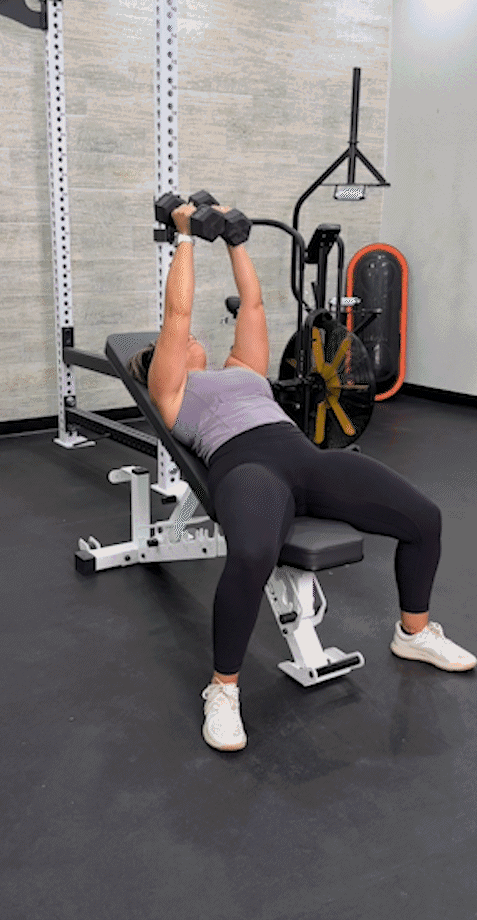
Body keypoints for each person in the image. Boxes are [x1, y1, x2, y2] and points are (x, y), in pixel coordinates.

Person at [130, 202, 476, 752]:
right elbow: (178, 318)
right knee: (250, 556)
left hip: (305, 458)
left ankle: (414, 633)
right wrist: (187, 239)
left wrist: (237, 242)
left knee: (423, 518)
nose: (186, 341)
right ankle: (222, 691)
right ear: (156, 365)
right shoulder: (171, 389)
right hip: (246, 470)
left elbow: (257, 303)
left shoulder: (241, 369)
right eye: (168, 349)